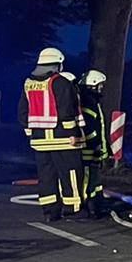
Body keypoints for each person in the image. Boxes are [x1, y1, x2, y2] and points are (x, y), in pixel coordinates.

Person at [21, 48, 85, 222]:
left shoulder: (28, 83)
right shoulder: (60, 82)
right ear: (58, 64)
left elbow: (23, 112)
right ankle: (73, 208)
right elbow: (66, 110)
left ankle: (50, 211)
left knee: (46, 175)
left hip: (39, 141)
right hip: (62, 139)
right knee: (70, 173)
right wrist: (74, 133)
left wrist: (30, 133)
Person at [78, 69, 111, 219]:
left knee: (95, 180)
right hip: (89, 150)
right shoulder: (89, 102)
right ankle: (91, 206)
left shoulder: (90, 100)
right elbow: (90, 128)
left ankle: (97, 203)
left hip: (91, 149)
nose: (101, 88)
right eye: (100, 85)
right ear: (93, 85)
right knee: (90, 179)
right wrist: (95, 145)